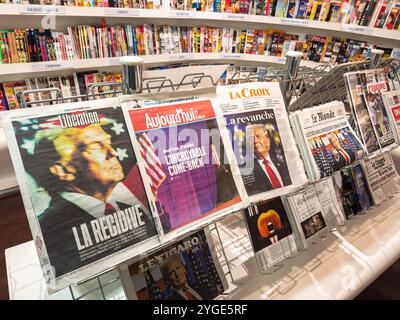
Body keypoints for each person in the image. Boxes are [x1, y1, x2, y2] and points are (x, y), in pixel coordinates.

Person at [30, 121, 156, 277]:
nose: (113, 153)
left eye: (108, 143)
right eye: (96, 146)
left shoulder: (129, 205)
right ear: (63, 170)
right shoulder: (51, 230)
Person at [243, 124, 291, 195]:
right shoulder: (245, 171)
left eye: (258, 137)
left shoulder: (283, 164)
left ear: (267, 141)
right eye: (251, 139)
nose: (255, 141)